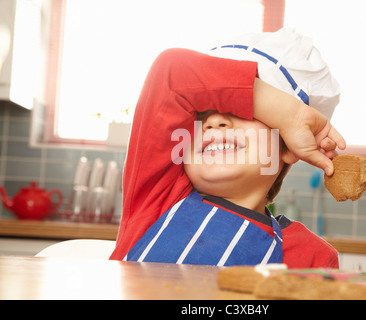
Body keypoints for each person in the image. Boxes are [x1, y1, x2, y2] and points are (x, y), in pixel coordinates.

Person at [109, 29, 346, 268]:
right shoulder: (157, 197)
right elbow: (170, 71)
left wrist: (289, 118)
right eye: (202, 112)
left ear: (288, 147)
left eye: (244, 110)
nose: (214, 121)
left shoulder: (313, 257)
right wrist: (291, 114)